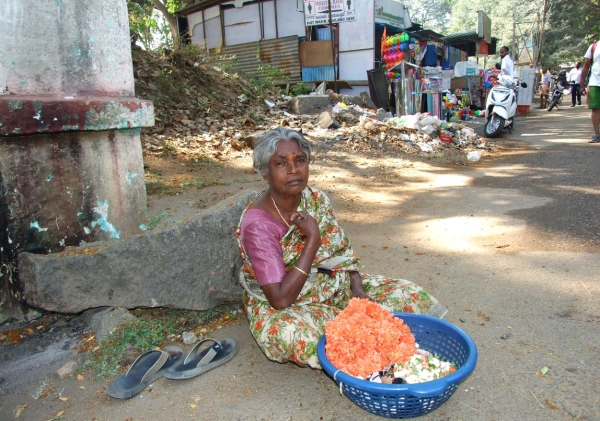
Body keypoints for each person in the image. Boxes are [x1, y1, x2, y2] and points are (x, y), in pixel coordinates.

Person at [235, 128, 447, 368]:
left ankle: (368, 340)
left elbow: (341, 250)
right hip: (290, 303)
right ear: (265, 173)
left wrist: (357, 290)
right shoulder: (258, 225)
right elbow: (281, 299)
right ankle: (368, 345)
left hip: (332, 285)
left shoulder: (315, 199)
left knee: (408, 295)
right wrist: (312, 240)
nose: (293, 170)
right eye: (281, 163)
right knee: (291, 334)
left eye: (300, 160)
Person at [580, 40, 600, 143]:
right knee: (596, 108)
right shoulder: (594, 46)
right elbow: (586, 66)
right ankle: (597, 134)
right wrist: (582, 84)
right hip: (595, 82)